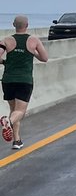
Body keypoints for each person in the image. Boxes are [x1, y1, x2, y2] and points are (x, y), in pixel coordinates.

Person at [1, 16, 50, 150]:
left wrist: (5, 62)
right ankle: (8, 121)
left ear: (13, 25)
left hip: (8, 80)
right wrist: (32, 52)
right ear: (27, 25)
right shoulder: (33, 40)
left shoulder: (6, 40)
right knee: (20, 111)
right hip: (24, 80)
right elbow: (45, 58)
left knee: (14, 110)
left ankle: (17, 141)